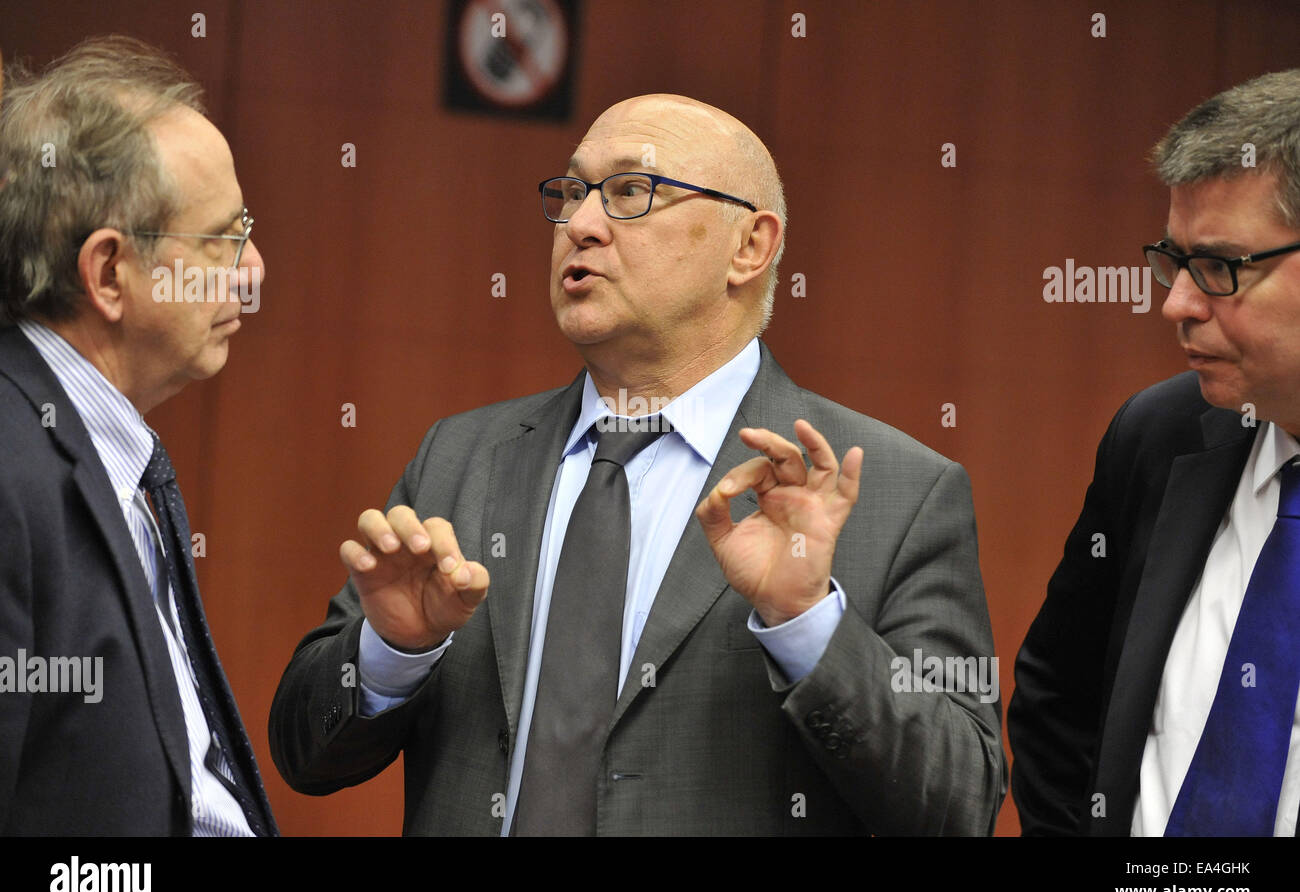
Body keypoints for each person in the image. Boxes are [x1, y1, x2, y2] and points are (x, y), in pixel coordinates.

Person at [270, 93, 1004, 835]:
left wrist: (807, 624)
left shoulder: (893, 491)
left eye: (630, 192)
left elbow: (960, 802)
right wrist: (393, 651)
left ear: (749, 245)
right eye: (571, 194)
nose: (580, 226)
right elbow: (304, 756)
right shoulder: (464, 457)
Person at [1010, 70, 1300, 837]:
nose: (1175, 304)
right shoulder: (1161, 433)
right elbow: (1056, 706)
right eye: (1174, 262)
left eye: (1221, 269)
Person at [0, 36, 276, 835]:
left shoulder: (116, 456)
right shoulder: (12, 467)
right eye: (222, 239)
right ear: (110, 274)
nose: (253, 269)